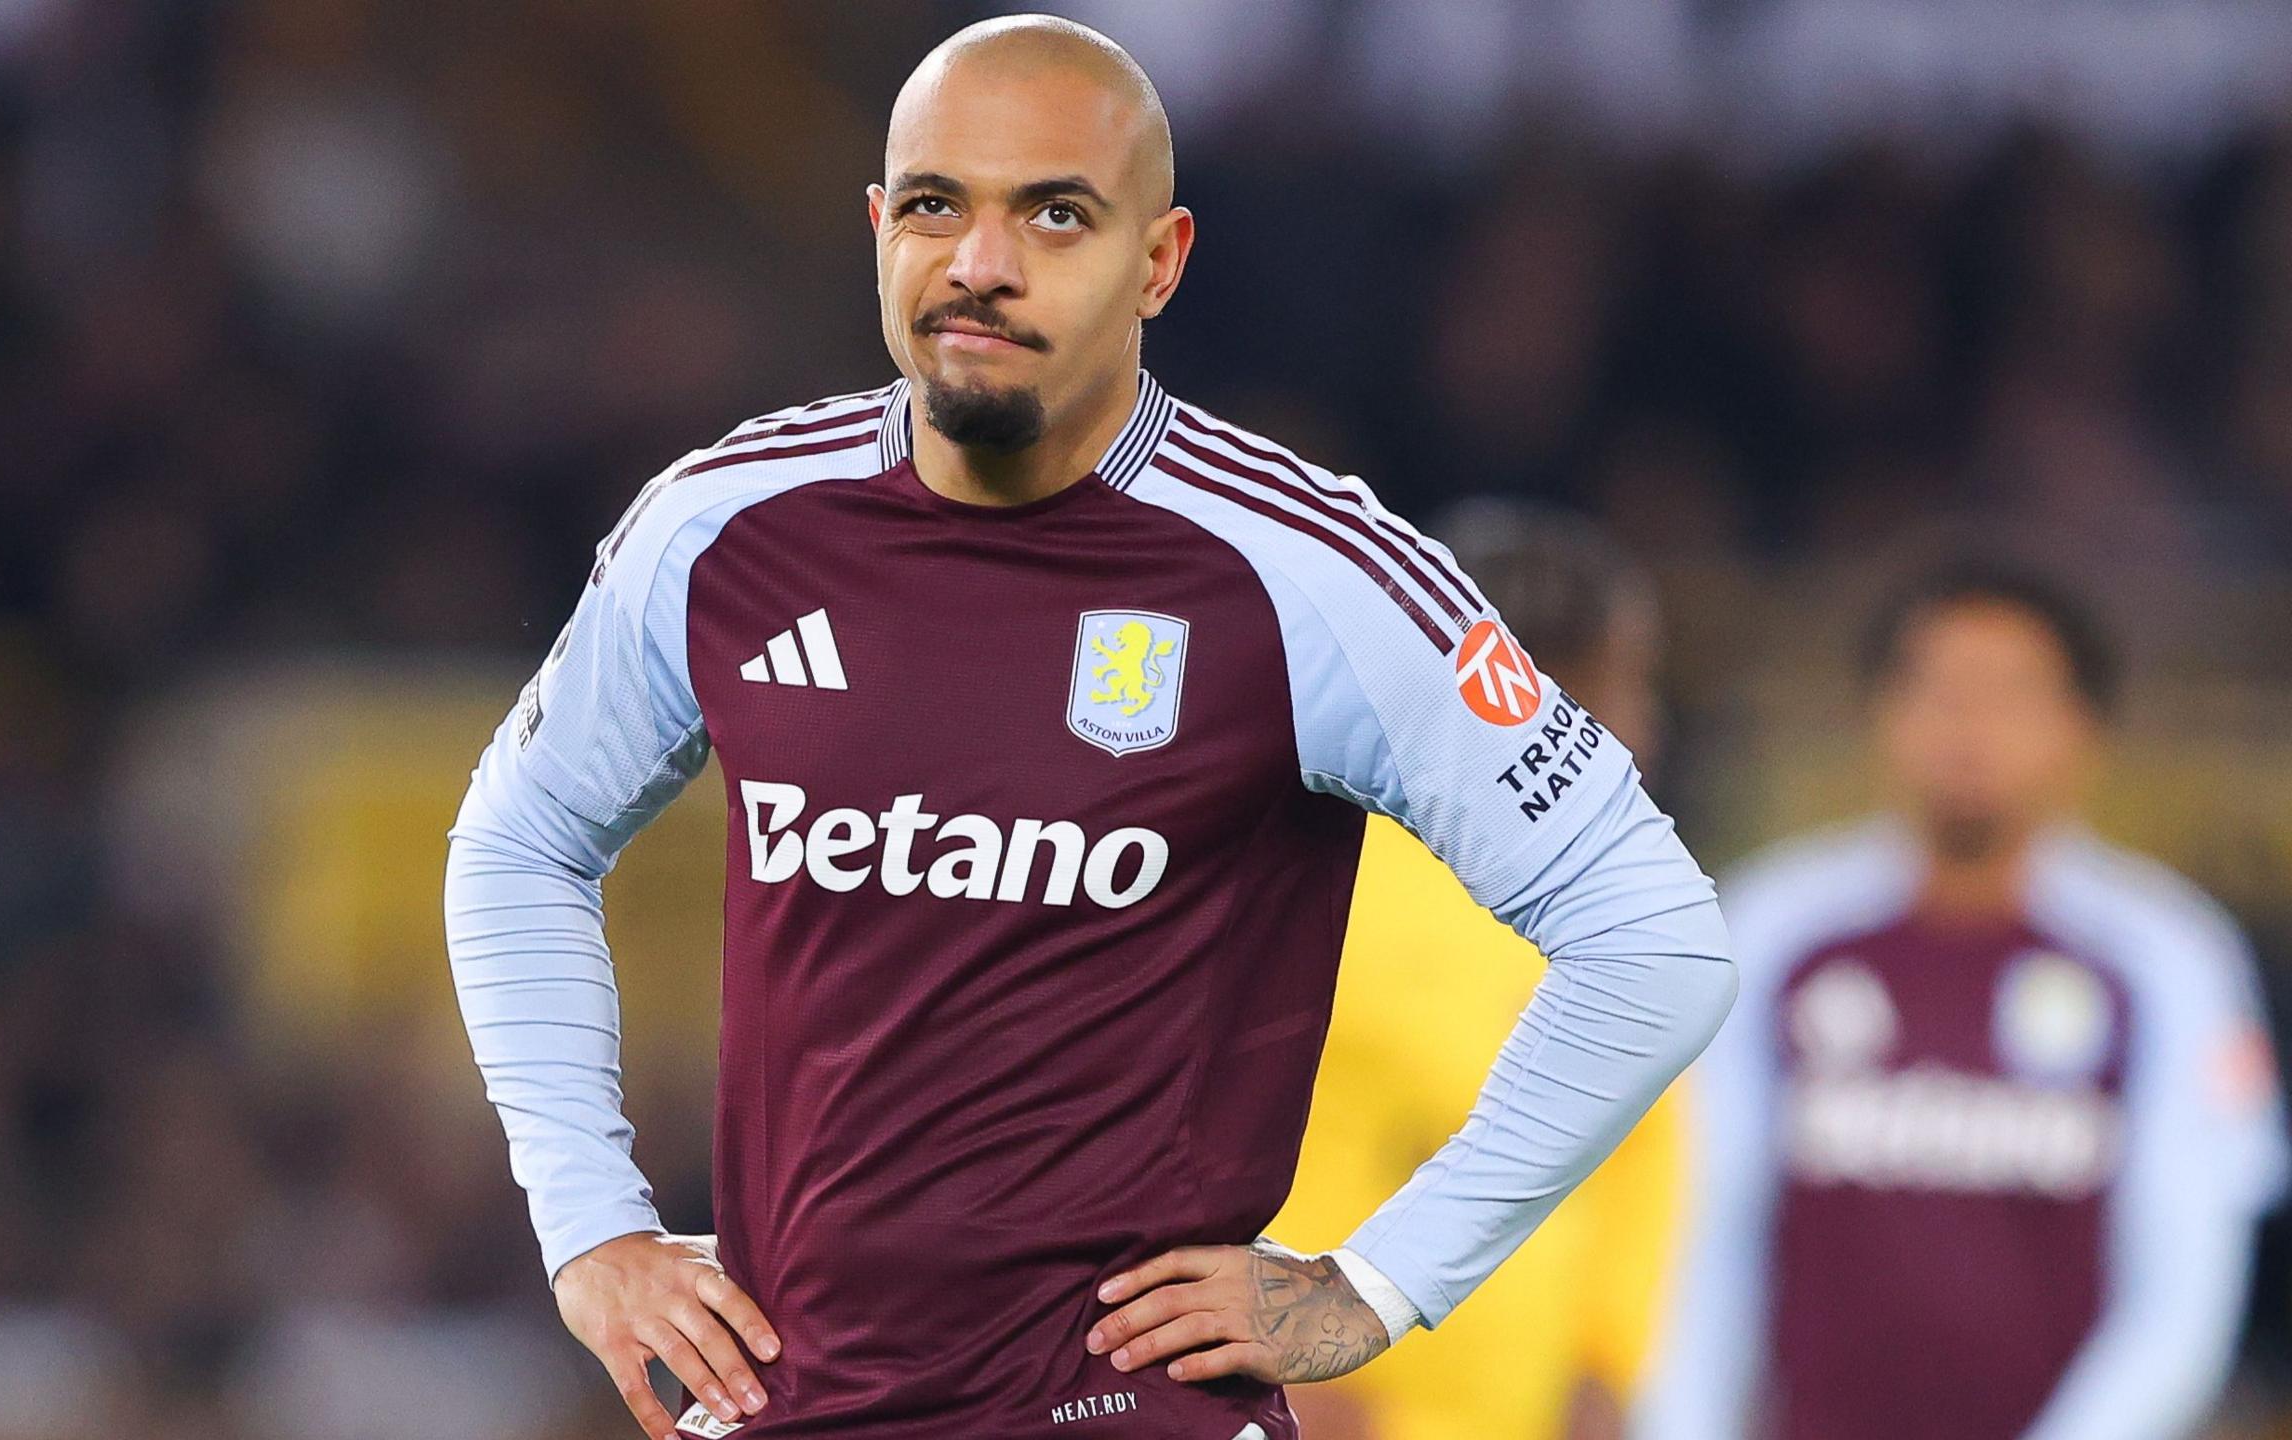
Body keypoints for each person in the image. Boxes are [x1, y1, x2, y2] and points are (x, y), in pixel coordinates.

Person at [442, 17, 1736, 1440]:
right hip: (792, 1407)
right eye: (936, 206)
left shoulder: (1311, 572)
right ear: (879, 227)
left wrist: (1377, 1284)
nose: (980, 264)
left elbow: (1652, 937)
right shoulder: (725, 526)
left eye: (1055, 214)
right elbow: (520, 841)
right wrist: (589, 1225)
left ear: (1160, 261)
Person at [1637, 561, 2290, 1440]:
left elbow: (2184, 1285)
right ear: (1879, 713)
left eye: (2009, 695)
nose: (1968, 726)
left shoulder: (2172, 957)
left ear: (2084, 729)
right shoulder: (1769, 929)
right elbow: (1700, 1239)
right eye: (1937, 689)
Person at [1269, 503, 1689, 1440]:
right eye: (1629, 686)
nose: (1647, 724)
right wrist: (1296, 1374)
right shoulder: (1327, 892)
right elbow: (1264, 1142)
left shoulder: (1619, 913)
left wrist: (1608, 1379)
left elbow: (1636, 1168)